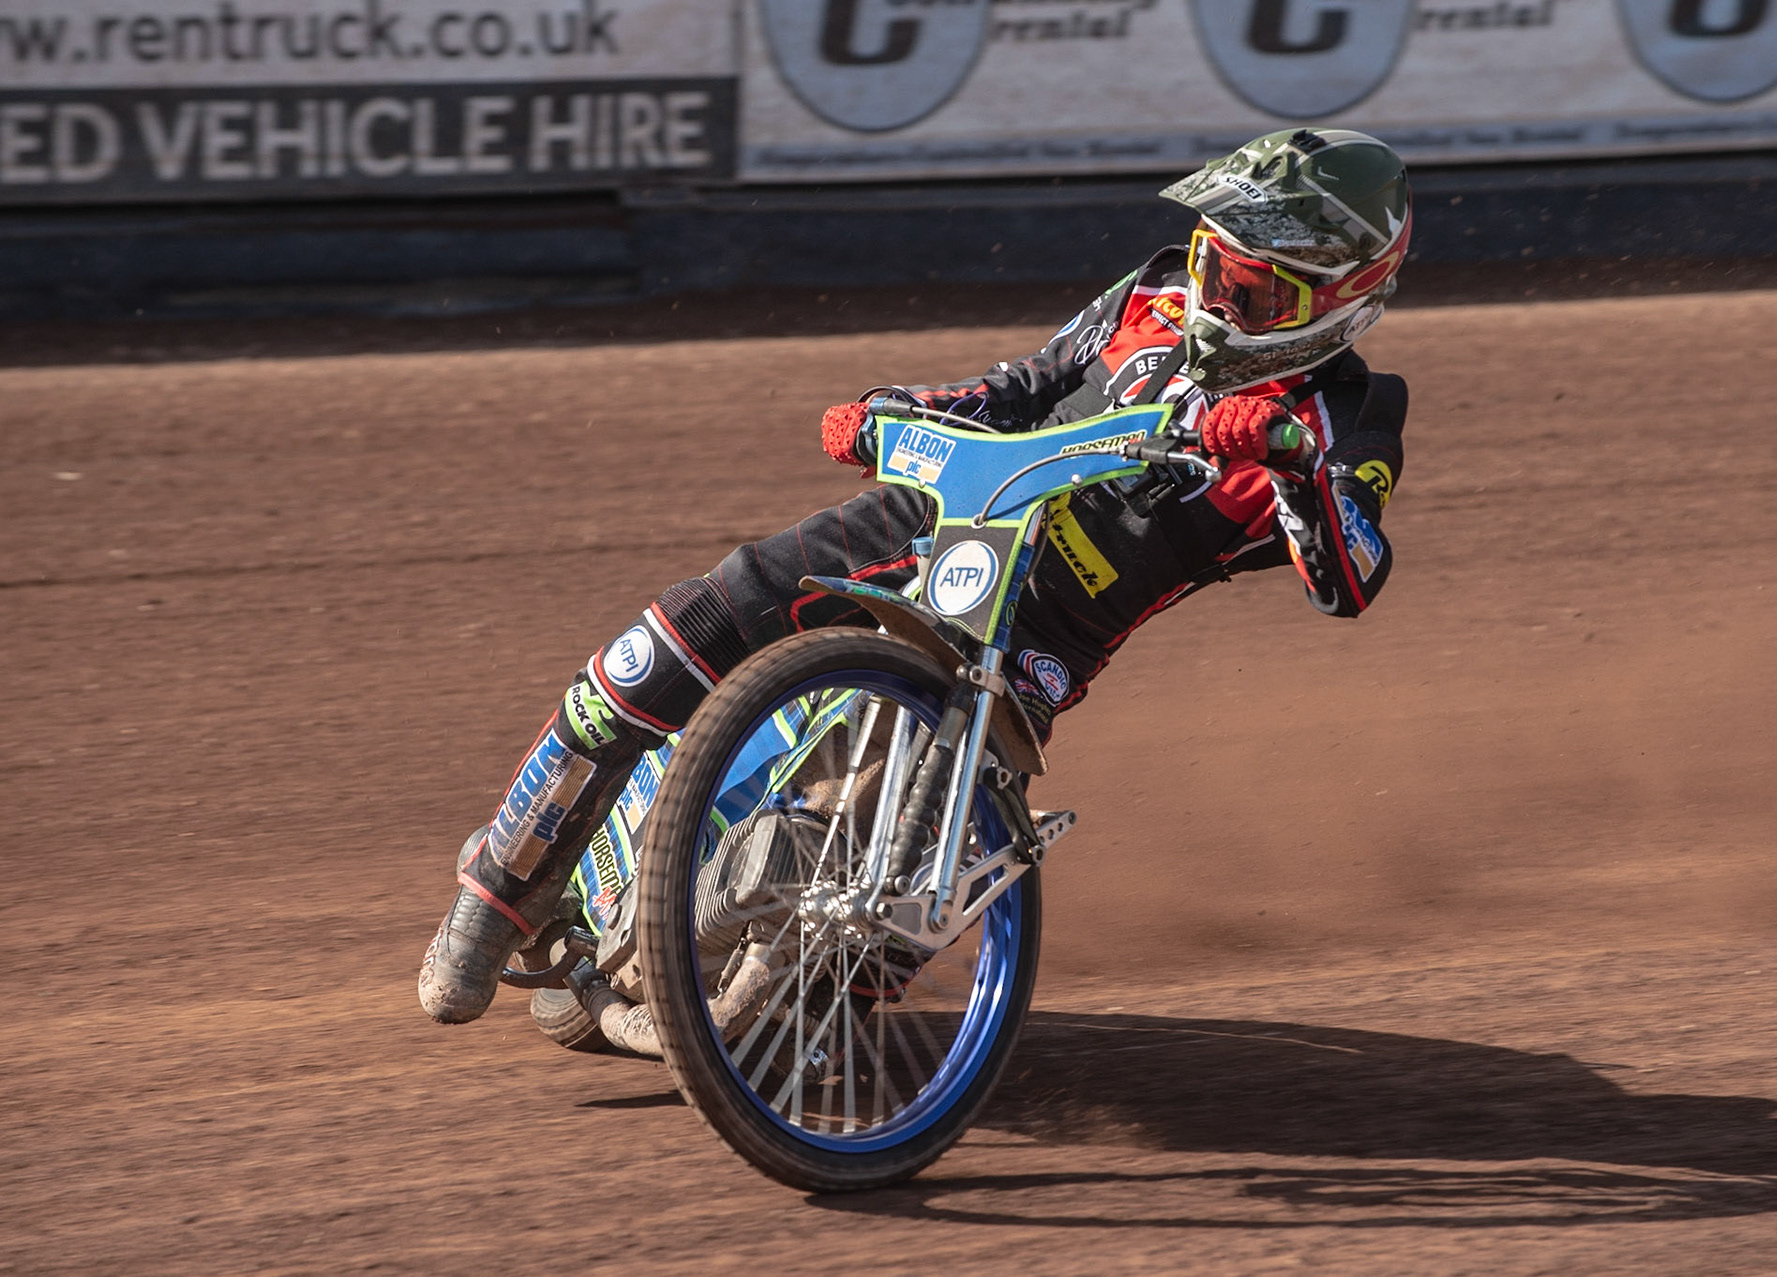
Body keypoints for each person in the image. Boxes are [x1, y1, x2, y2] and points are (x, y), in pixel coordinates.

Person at [419, 127, 1413, 1024]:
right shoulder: (1154, 289)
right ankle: (501, 892)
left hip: (1040, 637)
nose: (1219, 299)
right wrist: (896, 406)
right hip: (943, 512)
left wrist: (1290, 463)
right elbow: (1021, 386)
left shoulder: (1349, 415)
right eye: (1214, 264)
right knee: (674, 632)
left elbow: (1353, 575)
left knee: (874, 920)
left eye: (1257, 292)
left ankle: (728, 977)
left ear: (1342, 300)